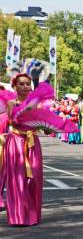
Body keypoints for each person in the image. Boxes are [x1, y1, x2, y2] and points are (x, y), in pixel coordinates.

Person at [1, 74, 44, 226]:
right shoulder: (11, 103)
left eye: (28, 84)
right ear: (15, 86)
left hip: (32, 142)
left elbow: (40, 123)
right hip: (16, 142)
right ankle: (18, 216)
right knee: (17, 179)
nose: (26, 86)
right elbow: (13, 121)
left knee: (34, 178)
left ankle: (33, 215)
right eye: (22, 84)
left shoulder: (37, 103)